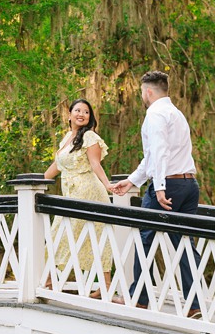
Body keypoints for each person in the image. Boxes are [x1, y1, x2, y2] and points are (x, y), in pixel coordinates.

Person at [110, 70, 201, 317]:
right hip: (189, 185)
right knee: (183, 242)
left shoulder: (155, 114)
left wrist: (159, 188)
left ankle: (139, 299)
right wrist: (131, 181)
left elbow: (159, 153)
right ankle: (195, 304)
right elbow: (152, 157)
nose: (142, 96)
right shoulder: (176, 114)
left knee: (144, 237)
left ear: (148, 92)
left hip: (168, 186)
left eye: (141, 92)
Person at [43, 98, 116, 298]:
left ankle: (105, 286)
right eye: (77, 110)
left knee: (93, 236)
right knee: (60, 233)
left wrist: (108, 185)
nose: (81, 114)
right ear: (69, 115)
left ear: (90, 117)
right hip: (71, 192)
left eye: (86, 112)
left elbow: (95, 164)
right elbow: (58, 165)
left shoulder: (90, 137)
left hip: (88, 191)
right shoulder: (67, 137)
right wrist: (37, 182)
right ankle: (49, 281)